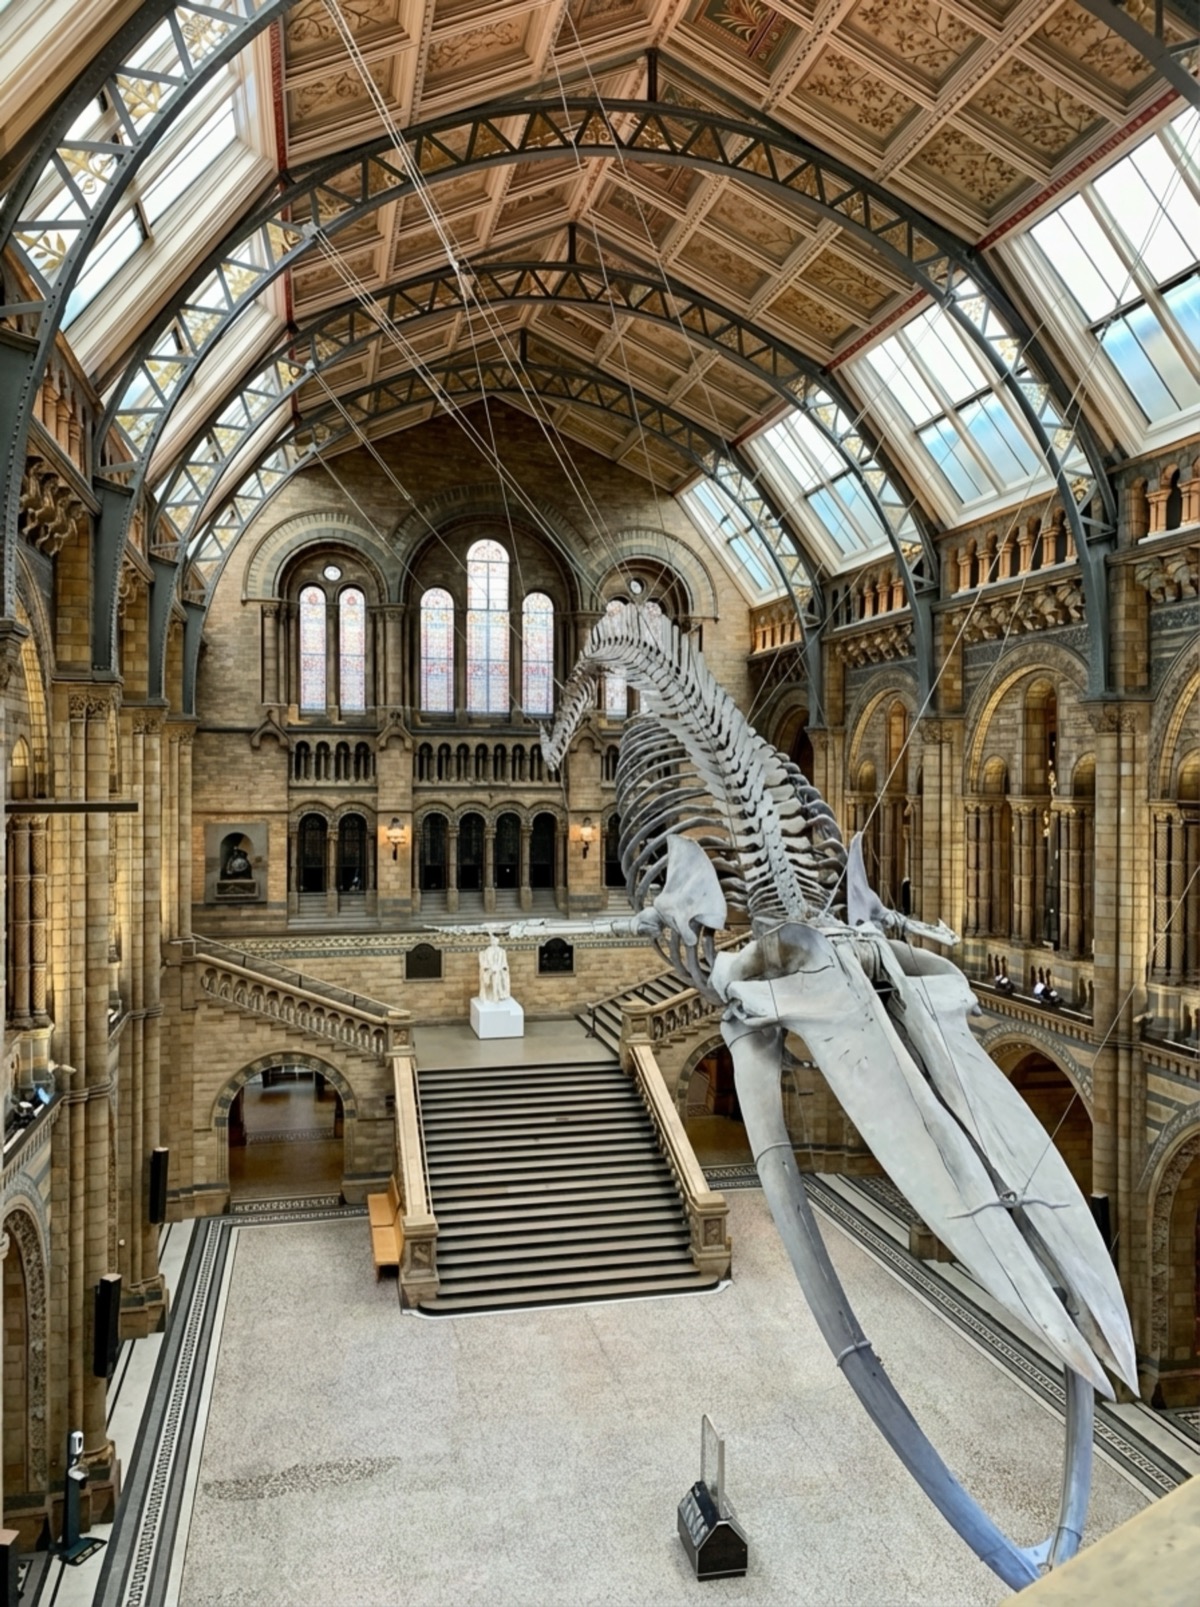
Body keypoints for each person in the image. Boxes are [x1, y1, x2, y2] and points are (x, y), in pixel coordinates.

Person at [478, 931, 510, 1002]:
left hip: (499, 969)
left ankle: (498, 994)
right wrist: (491, 968)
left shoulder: (502, 951)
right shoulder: (487, 951)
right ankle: (496, 994)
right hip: (489, 969)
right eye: (493, 940)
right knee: (495, 974)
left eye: (496, 940)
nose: (494, 942)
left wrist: (503, 968)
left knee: (497, 974)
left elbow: (504, 963)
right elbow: (485, 962)